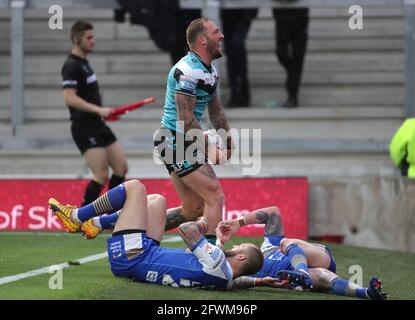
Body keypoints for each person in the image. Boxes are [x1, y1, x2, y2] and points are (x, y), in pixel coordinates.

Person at [48, 180, 264, 289]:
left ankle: (77, 216)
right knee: (158, 201)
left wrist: (204, 223)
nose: (235, 245)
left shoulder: (218, 263)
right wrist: (261, 281)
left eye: (240, 246)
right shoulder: (225, 279)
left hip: (133, 258)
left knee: (135, 188)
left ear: (242, 257)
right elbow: (237, 280)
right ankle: (95, 223)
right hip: (145, 255)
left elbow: (186, 230)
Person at [154, 18, 234, 245]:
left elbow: (215, 110)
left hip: (180, 140)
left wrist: (228, 141)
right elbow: (186, 118)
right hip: (175, 140)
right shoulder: (188, 71)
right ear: (202, 39)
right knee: (215, 196)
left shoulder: (209, 71)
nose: (221, 36)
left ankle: (132, 227)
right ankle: (208, 261)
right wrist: (210, 147)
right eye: (216, 32)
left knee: (192, 209)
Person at [216, 206, 388, 300]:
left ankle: (301, 271)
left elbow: (273, 212)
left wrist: (239, 223)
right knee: (323, 276)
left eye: (241, 243)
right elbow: (233, 281)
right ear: (241, 256)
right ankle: (366, 293)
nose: (238, 243)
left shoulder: (268, 246)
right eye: (241, 245)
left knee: (286, 242)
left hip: (312, 258)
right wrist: (261, 281)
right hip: (295, 276)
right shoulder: (233, 272)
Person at [61, 21, 128, 206]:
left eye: (93, 37)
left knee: (121, 167)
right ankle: (81, 218)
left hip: (97, 123)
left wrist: (103, 114)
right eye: (89, 38)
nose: (93, 41)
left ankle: (109, 213)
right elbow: (70, 98)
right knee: (101, 175)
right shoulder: (71, 66)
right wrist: (99, 110)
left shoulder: (84, 64)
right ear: (76, 39)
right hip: (84, 126)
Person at [221, 9, 258, 108]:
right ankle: (235, 91)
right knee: (230, 50)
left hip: (244, 11)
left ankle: (242, 86)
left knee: (237, 44)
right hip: (227, 12)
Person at [273, 7, 309, 108]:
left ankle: (293, 95)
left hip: (300, 16)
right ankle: (292, 77)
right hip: (282, 15)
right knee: (281, 53)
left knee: (298, 56)